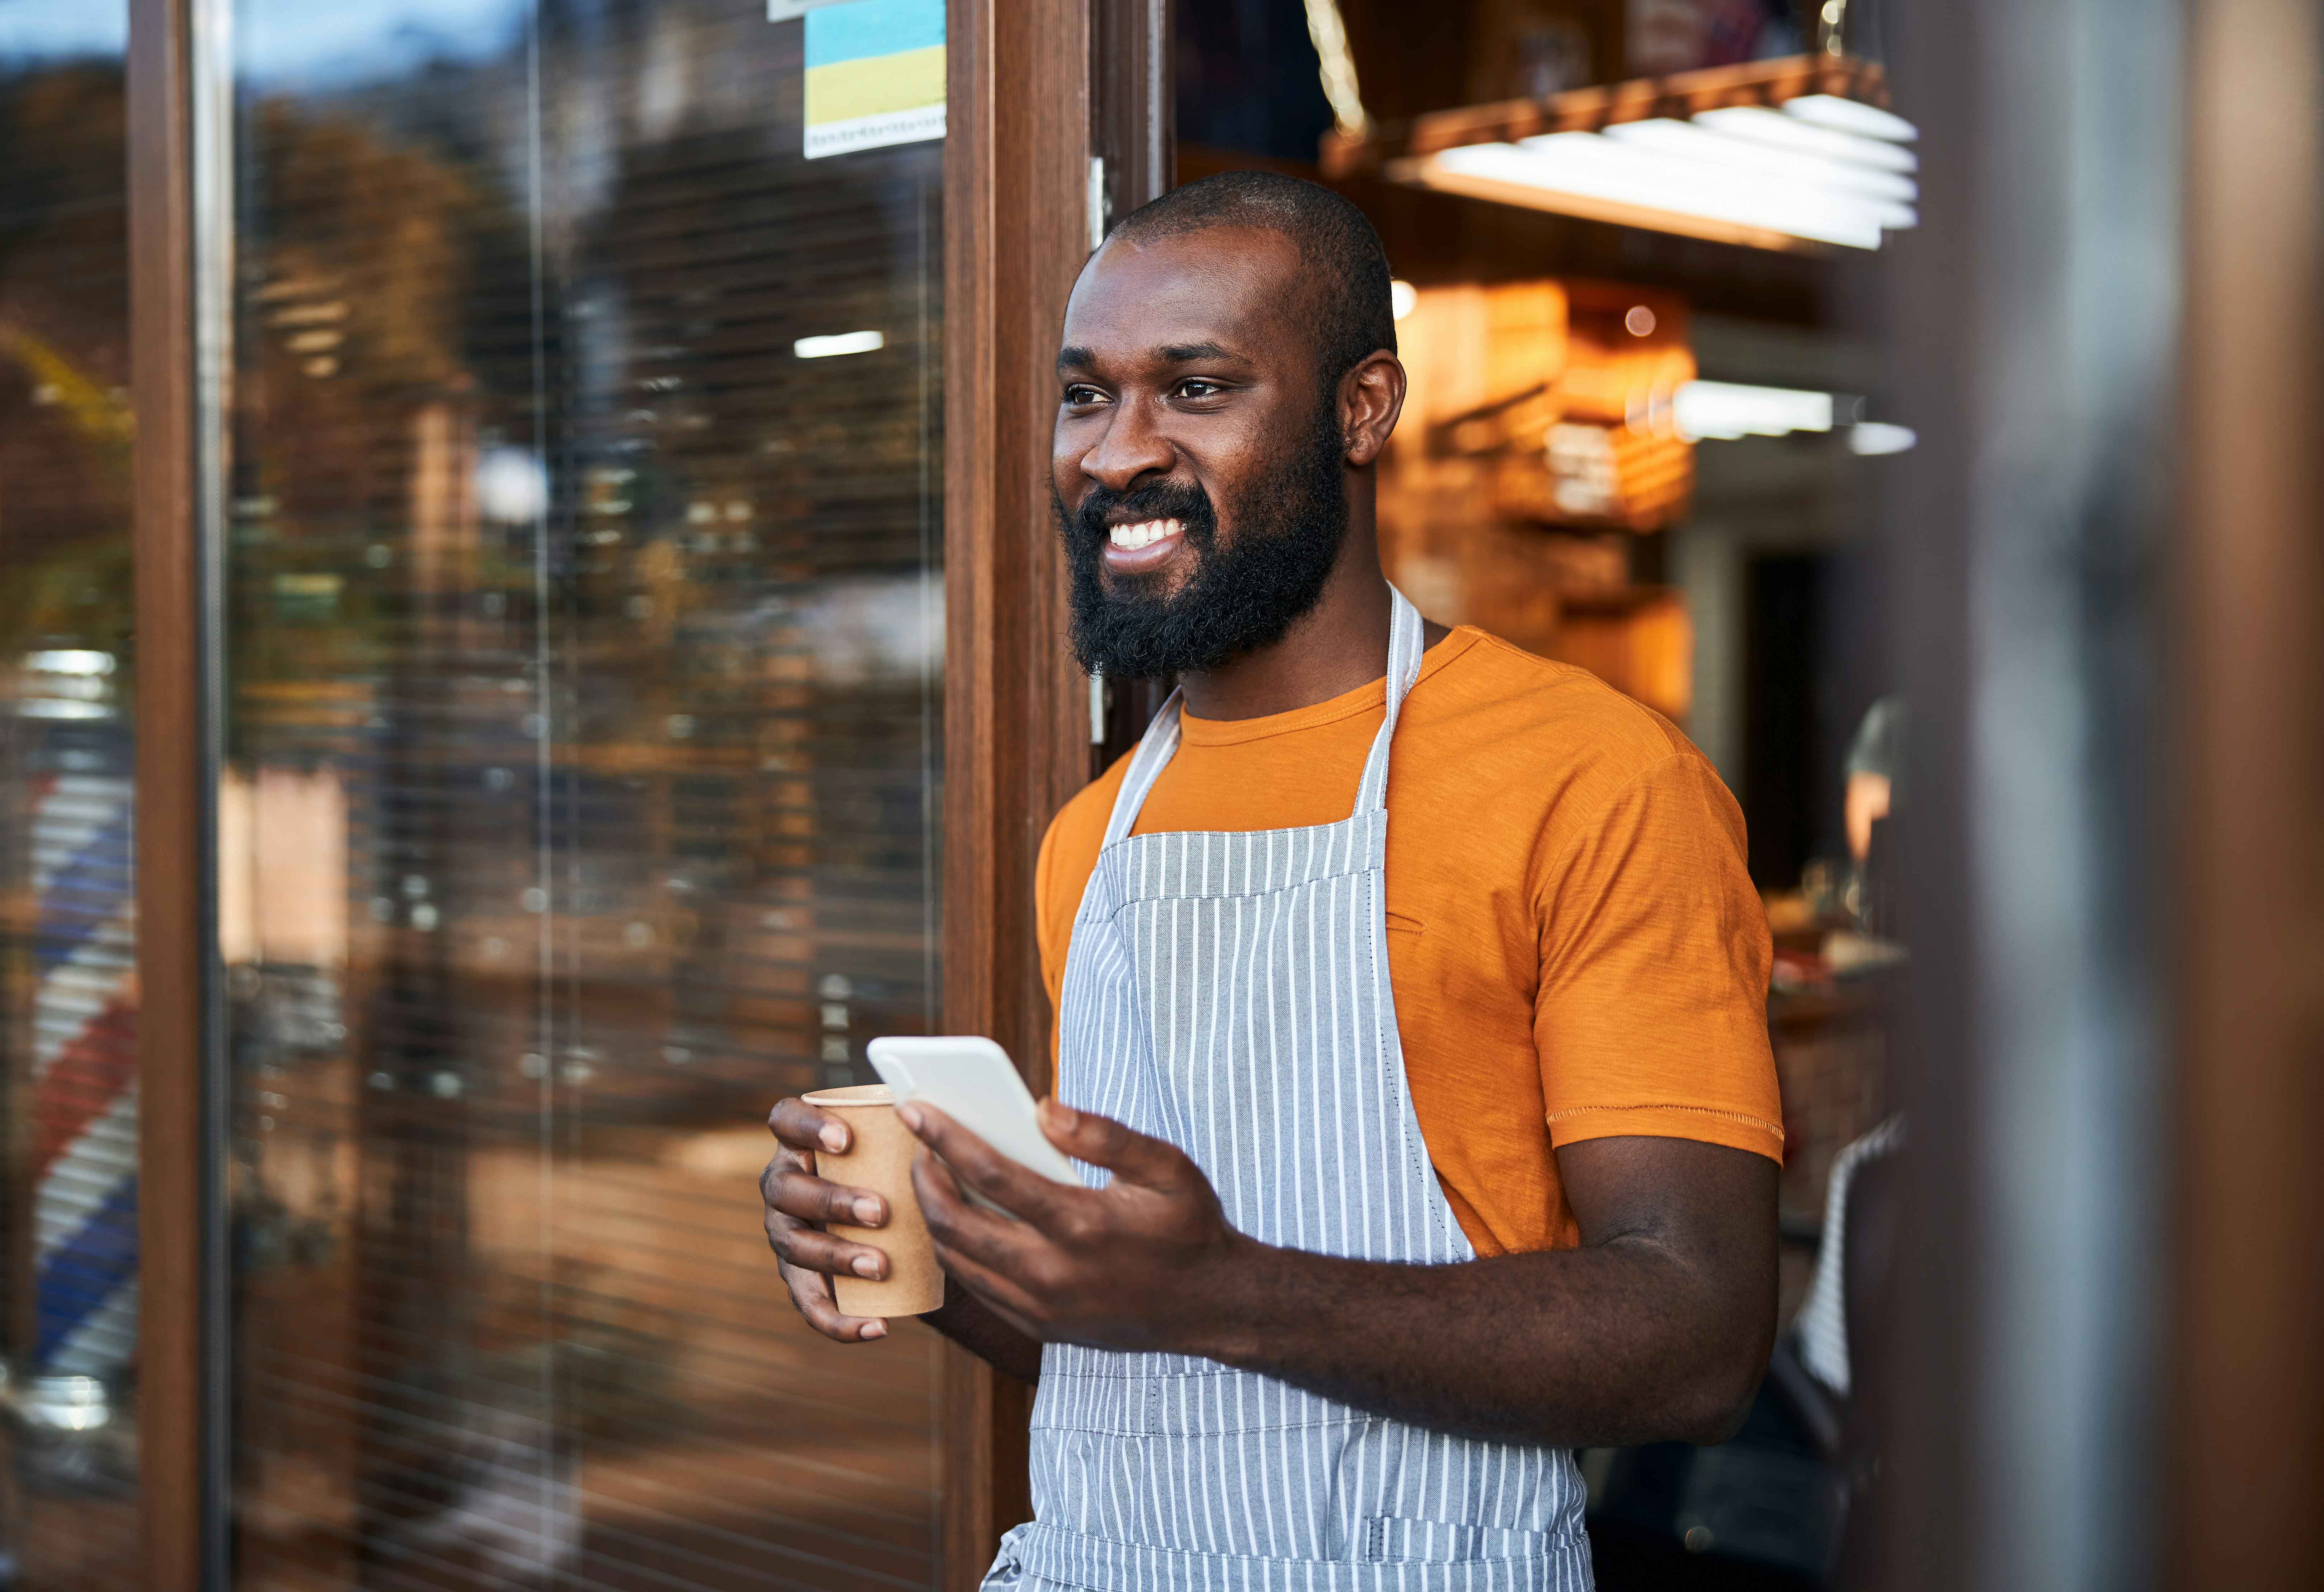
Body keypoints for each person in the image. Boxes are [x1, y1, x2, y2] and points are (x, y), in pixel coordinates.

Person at [761, 171, 1782, 1590]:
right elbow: (1124, 1326)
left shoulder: (1592, 782)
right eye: (1084, 396)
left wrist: (1226, 1292)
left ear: (1362, 409)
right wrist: (920, 1250)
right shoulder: (1096, 840)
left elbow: (1698, 1336)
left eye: (1194, 388)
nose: (1118, 453)